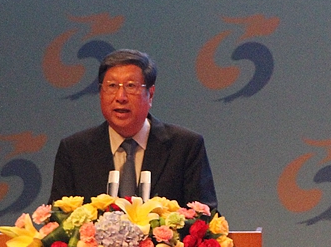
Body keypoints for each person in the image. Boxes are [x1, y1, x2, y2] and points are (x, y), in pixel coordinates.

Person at [49, 49, 218, 210]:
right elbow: (58, 217)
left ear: (150, 94)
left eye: (131, 86)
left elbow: (204, 216)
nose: (120, 97)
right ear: (101, 93)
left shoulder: (185, 147)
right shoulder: (75, 150)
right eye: (112, 86)